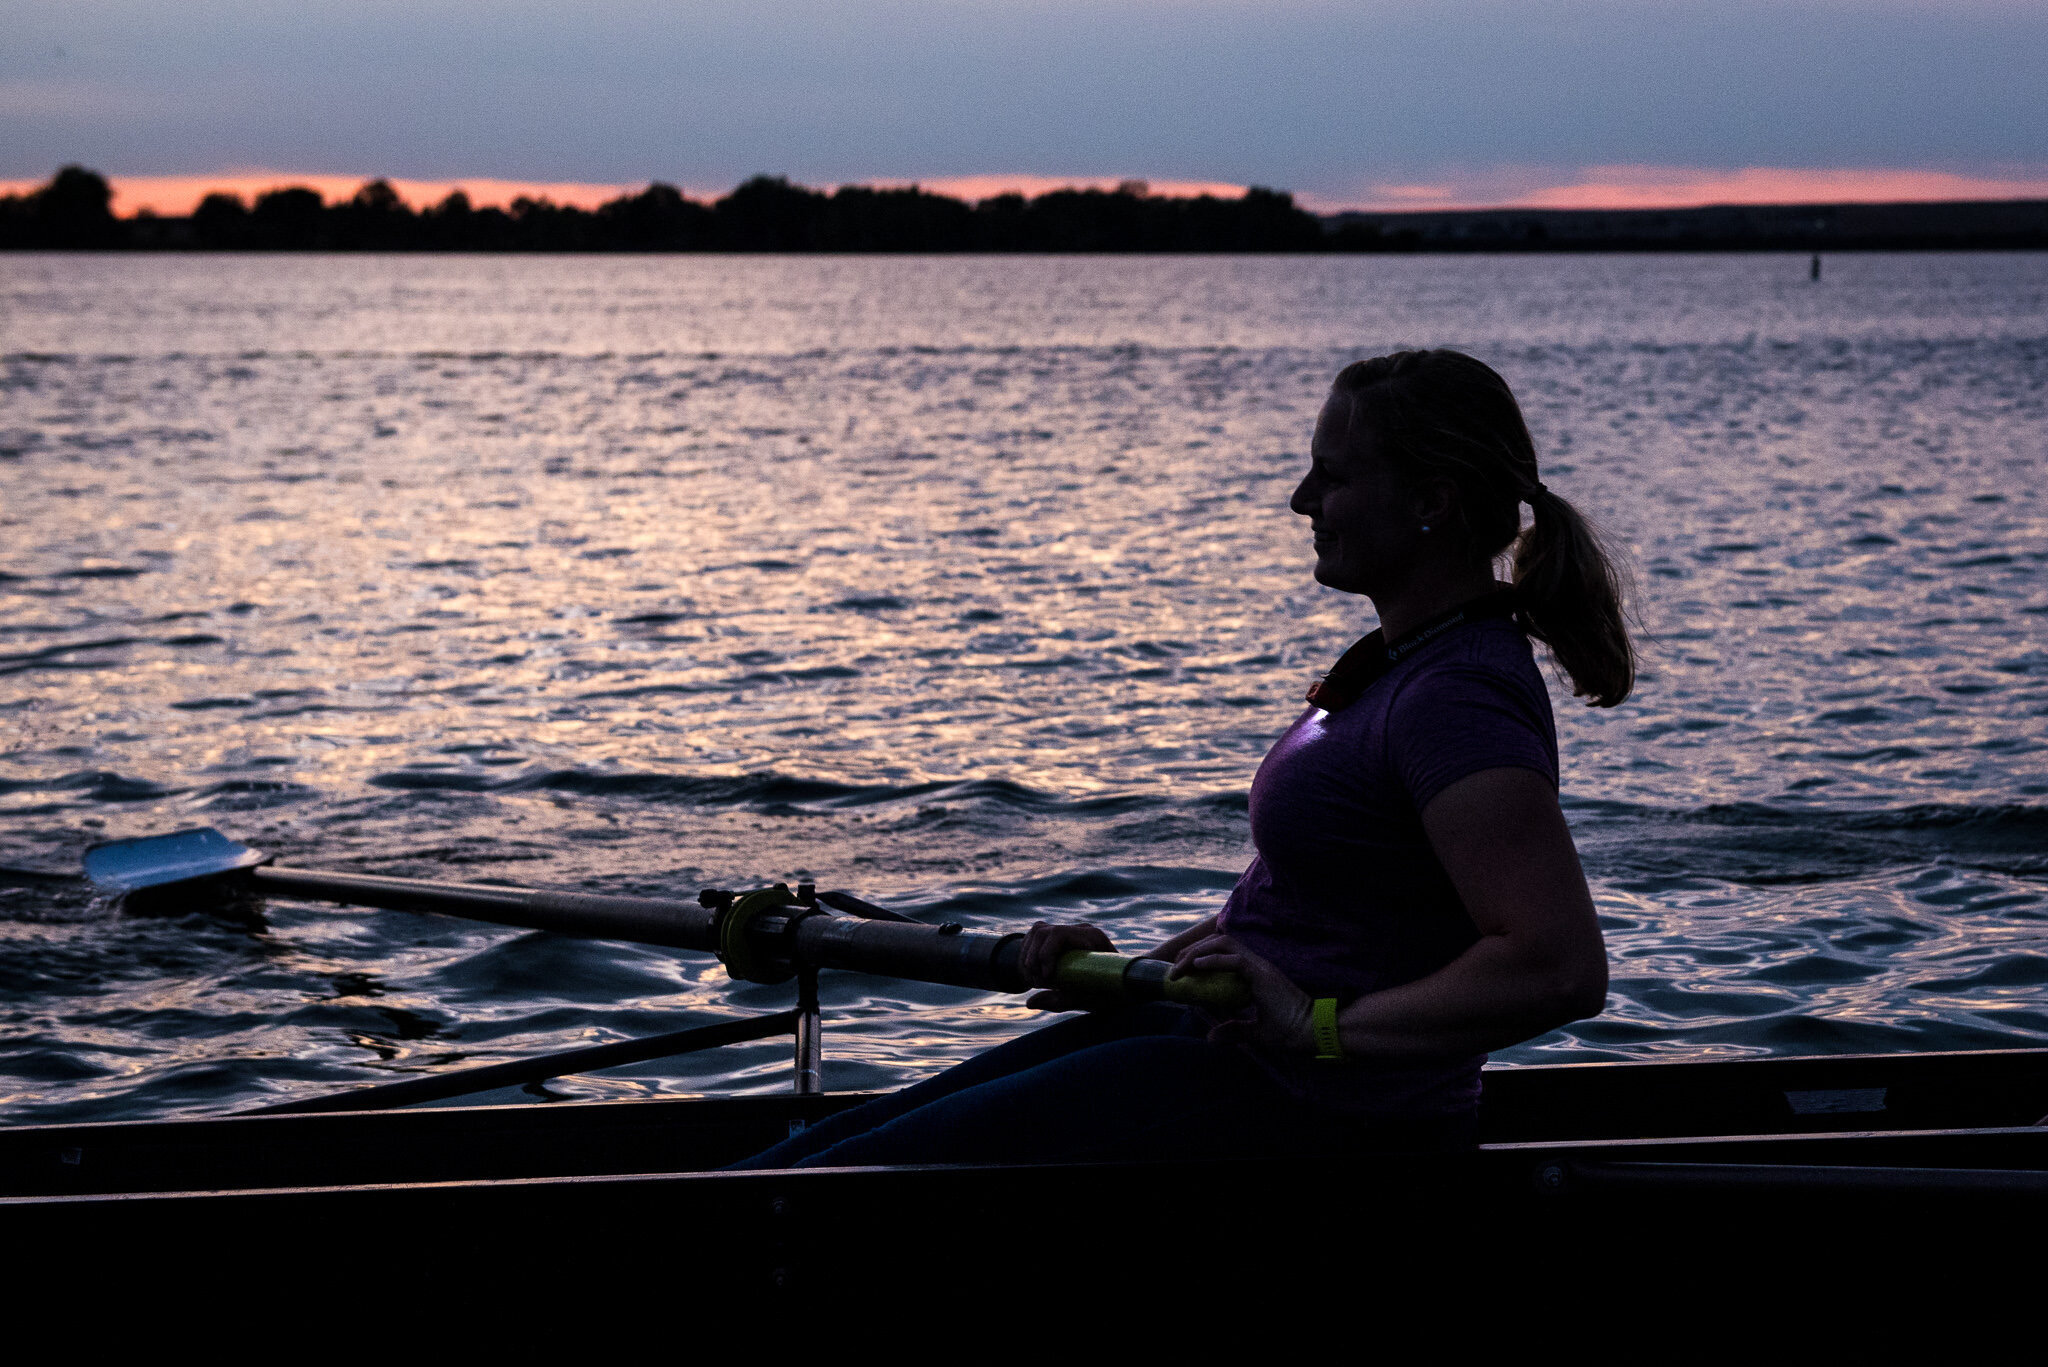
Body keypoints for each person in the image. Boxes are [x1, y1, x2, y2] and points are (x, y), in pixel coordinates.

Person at [731, 349, 1630, 1169]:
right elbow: (1314, 916)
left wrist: (1318, 1027)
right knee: (823, 1150)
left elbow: (1556, 965)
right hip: (1208, 1040)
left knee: (814, 1186)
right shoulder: (1406, 665)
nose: (1301, 499)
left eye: (1334, 475)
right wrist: (1125, 970)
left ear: (1432, 502)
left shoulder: (1457, 696)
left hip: (1315, 1112)